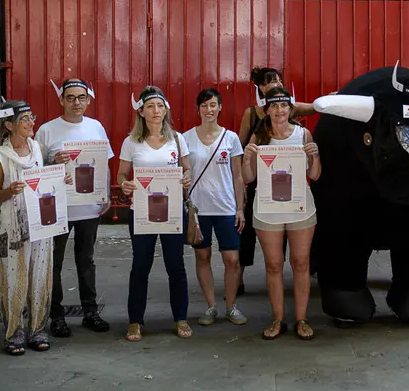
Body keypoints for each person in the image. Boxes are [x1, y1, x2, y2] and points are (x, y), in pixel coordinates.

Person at [0, 96, 71, 355]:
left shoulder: (37, 148)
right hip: (12, 228)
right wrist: (10, 190)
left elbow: (42, 181)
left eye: (31, 117)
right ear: (9, 125)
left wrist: (59, 175)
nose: (31, 122)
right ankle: (14, 333)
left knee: (41, 277)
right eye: (24, 119)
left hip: (40, 223)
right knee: (14, 279)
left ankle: (37, 329)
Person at [241, 87, 321, 340]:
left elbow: (315, 175)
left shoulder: (303, 134)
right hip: (268, 211)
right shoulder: (259, 137)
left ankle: (301, 319)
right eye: (274, 106)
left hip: (300, 209)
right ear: (267, 110)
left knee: (301, 263)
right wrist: (246, 159)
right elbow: (249, 178)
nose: (279, 111)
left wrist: (315, 156)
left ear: (291, 109)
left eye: (284, 105)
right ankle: (278, 319)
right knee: (274, 265)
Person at [35, 78, 113, 337]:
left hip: (88, 208)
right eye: (70, 97)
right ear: (61, 100)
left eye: (81, 97)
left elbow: (104, 164)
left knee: (86, 260)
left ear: (88, 100)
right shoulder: (47, 130)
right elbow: (36, 170)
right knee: (54, 262)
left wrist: (106, 194)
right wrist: (53, 161)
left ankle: (90, 312)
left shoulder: (96, 127)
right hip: (57, 208)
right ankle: (56, 315)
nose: (76, 102)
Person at [117, 86, 193, 341]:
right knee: (140, 266)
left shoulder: (178, 139)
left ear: (166, 109)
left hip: (172, 210)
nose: (156, 110)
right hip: (141, 211)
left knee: (176, 266)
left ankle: (181, 317)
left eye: (160, 105)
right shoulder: (131, 142)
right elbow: (121, 175)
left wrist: (185, 179)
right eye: (150, 106)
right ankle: (135, 321)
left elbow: (187, 171)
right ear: (141, 111)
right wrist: (125, 184)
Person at [237, 67, 317, 292]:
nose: (275, 84)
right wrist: (244, 176)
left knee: (288, 229)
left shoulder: (287, 107)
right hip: (258, 181)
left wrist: (329, 101)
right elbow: (240, 145)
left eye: (279, 80)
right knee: (250, 231)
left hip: (289, 182)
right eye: (271, 81)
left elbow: (313, 107)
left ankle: (284, 273)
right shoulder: (251, 113)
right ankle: (240, 275)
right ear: (261, 88)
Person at [183, 88, 248, 326]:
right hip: (199, 210)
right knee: (203, 256)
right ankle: (211, 307)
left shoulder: (230, 139)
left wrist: (240, 208)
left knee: (232, 259)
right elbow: (183, 172)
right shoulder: (186, 138)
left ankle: (231, 306)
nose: (209, 110)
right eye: (204, 105)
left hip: (226, 208)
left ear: (220, 107)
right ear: (198, 109)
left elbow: (238, 176)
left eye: (213, 105)